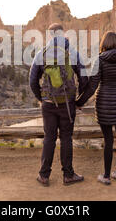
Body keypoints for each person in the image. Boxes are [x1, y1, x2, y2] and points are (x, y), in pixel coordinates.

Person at [29, 23, 88, 186]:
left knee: (49, 138)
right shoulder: (73, 53)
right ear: (63, 35)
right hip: (68, 104)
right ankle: (68, 175)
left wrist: (41, 98)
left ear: (49, 36)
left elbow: (32, 80)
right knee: (66, 138)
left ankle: (44, 175)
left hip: (48, 103)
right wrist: (78, 101)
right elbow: (84, 78)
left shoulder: (41, 53)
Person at [76, 31, 116, 185]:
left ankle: (107, 176)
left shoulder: (99, 60)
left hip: (104, 105)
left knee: (108, 140)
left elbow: (92, 85)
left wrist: (79, 102)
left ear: (103, 44)